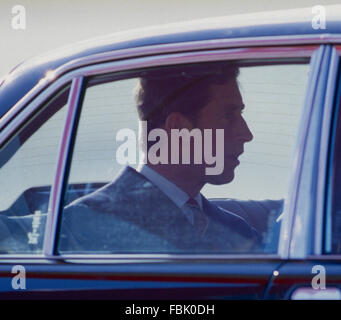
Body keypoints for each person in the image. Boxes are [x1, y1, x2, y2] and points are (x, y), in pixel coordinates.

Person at [59, 62, 261, 254]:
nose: (246, 133)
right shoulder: (85, 225)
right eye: (228, 116)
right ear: (178, 128)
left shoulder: (239, 233)